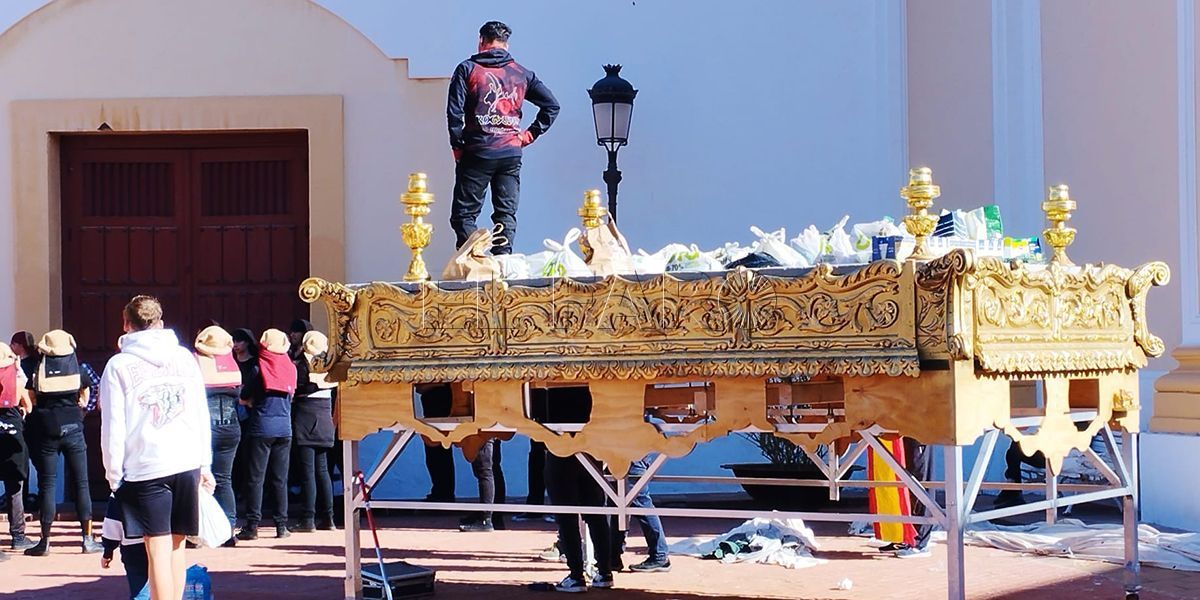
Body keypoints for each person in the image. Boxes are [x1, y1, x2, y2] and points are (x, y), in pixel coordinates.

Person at [100, 295, 214, 600]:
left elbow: (113, 424)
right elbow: (199, 411)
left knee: (157, 550)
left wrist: (113, 474)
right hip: (186, 460)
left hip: (146, 465)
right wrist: (205, 462)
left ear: (126, 325)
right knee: (177, 546)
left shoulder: (119, 364)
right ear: (160, 323)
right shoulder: (184, 358)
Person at [447, 20, 560, 255]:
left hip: (478, 151)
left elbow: (454, 113)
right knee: (505, 213)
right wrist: (527, 136)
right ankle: (502, 262)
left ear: (481, 41)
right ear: (506, 45)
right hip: (510, 152)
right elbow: (551, 105)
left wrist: (458, 147)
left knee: (464, 215)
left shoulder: (467, 70)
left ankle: (474, 257)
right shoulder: (522, 74)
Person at [24, 329, 102, 556]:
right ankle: (87, 539)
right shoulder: (77, 367)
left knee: (47, 485)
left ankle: (45, 541)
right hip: (74, 430)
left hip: (47, 432)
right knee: (82, 483)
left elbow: (31, 400)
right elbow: (86, 396)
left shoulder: (39, 370)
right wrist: (79, 413)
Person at [540, 386, 613, 593]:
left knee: (566, 514)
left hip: (560, 443)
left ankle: (576, 575)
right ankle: (605, 573)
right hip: (590, 442)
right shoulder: (587, 373)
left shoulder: (550, 375)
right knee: (596, 512)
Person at [237, 328, 297, 541]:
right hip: (284, 427)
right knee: (280, 479)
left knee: (255, 479)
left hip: (261, 426)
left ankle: (252, 526)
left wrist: (248, 400)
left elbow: (244, 395)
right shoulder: (290, 367)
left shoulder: (258, 366)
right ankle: (282, 525)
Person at [193, 326, 243, 542]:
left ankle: (196, 531)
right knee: (224, 479)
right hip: (231, 427)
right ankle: (228, 529)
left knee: (197, 480)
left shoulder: (196, 364)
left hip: (204, 428)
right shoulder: (232, 364)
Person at [290, 330, 337, 532]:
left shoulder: (302, 365)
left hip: (306, 417)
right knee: (323, 470)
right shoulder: (329, 365)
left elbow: (298, 388)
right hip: (325, 416)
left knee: (308, 472)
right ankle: (328, 517)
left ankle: (308, 518)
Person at [0, 341, 35, 553]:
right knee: (15, 486)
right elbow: (28, 406)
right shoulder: (15, 378)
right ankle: (18, 535)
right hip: (12, 438)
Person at [610, 456, 671, 572]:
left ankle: (660, 555)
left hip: (630, 460)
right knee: (616, 506)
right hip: (625, 459)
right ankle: (613, 557)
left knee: (641, 505)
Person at [101, 493, 151, 600]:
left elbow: (112, 524)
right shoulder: (166, 483)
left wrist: (108, 550)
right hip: (162, 542)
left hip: (132, 546)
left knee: (139, 590)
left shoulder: (119, 491)